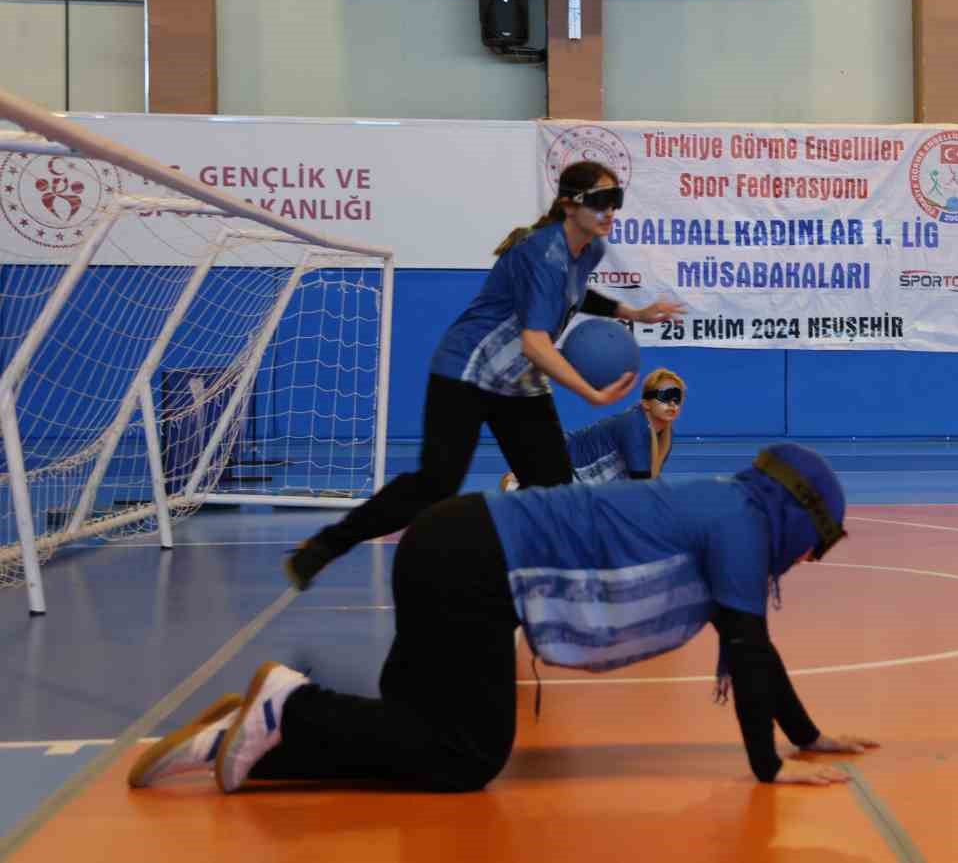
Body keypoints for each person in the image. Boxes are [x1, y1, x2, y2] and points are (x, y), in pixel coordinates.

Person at [127, 444, 879, 793]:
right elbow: (747, 649)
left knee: (417, 734)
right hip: (474, 561)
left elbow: (756, 646)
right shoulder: (741, 526)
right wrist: (770, 767)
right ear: (799, 514)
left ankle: (246, 739)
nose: (812, 559)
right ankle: (291, 704)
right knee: (469, 759)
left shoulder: (728, 505)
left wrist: (809, 736)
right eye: (821, 542)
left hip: (451, 539)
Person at [283, 161, 686, 590]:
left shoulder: (591, 249)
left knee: (555, 487)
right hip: (467, 372)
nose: (611, 211)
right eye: (601, 202)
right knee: (436, 484)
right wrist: (592, 393)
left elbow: (575, 292)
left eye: (616, 200)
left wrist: (632, 312)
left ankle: (532, 577)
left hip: (518, 382)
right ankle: (324, 546)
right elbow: (535, 342)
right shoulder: (541, 252)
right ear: (570, 205)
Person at [501, 367, 686, 492]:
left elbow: (652, 476)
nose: (672, 404)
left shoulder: (665, 434)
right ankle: (517, 483)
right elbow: (644, 486)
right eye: (665, 397)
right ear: (645, 402)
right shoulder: (633, 424)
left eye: (677, 399)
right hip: (558, 461)